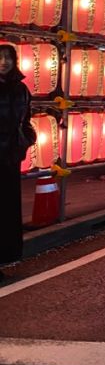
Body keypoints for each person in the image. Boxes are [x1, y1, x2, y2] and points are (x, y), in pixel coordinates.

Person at [0, 44, 36, 282]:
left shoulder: (21, 89)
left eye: (8, 58)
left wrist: (27, 138)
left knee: (6, 213)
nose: (3, 62)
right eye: (0, 58)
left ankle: (3, 259)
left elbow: (26, 120)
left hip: (10, 160)